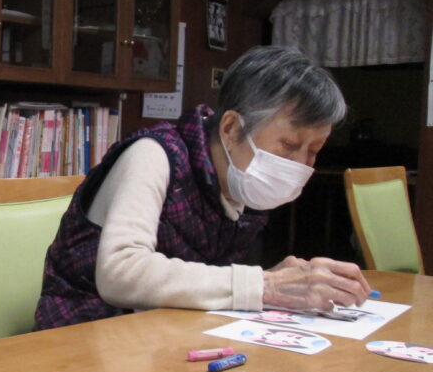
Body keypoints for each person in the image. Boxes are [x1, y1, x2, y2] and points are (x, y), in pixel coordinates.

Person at [35, 45, 372, 330]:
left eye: (313, 151)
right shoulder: (154, 154)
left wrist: (274, 283)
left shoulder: (241, 185)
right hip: (82, 339)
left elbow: (196, 283)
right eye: (288, 145)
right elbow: (121, 272)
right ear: (230, 128)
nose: (299, 164)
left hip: (161, 338)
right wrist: (265, 284)